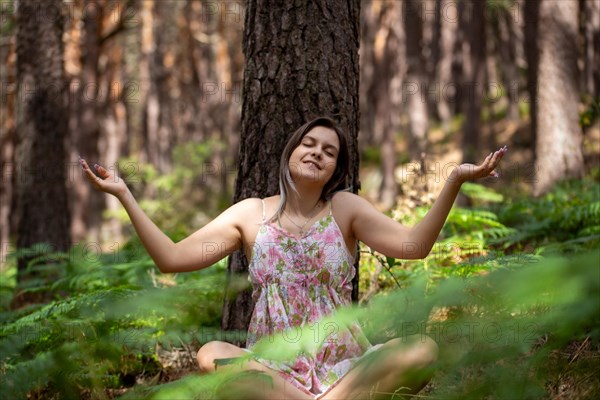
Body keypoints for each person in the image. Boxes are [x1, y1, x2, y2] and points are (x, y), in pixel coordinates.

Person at [79, 116, 507, 399]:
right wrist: (123, 194)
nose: (317, 152)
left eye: (329, 151)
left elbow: (415, 246)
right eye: (309, 143)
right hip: (273, 375)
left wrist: (453, 181)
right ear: (290, 152)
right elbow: (172, 258)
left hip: (345, 370)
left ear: (335, 169)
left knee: (421, 347)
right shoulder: (251, 215)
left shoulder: (346, 209)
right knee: (212, 353)